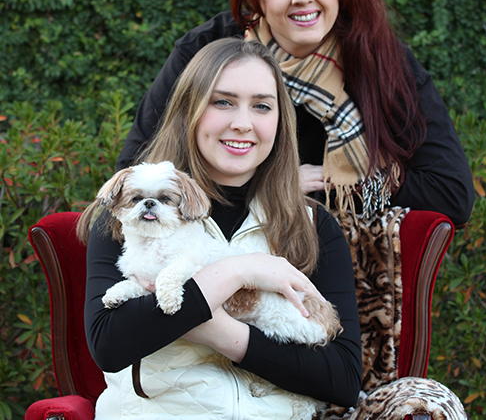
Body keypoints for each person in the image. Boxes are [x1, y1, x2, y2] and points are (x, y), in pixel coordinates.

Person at [117, 0, 475, 228]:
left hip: (337, 253)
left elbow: (451, 193)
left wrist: (341, 181)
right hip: (219, 240)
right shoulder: (206, 49)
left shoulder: (380, 58)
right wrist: (275, 183)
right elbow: (134, 170)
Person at [79, 38, 362, 419]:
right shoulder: (126, 216)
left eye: (261, 106)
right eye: (222, 102)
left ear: (280, 122)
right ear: (189, 110)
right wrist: (239, 270)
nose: (242, 123)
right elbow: (108, 344)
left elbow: (343, 379)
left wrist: (214, 329)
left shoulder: (311, 225)